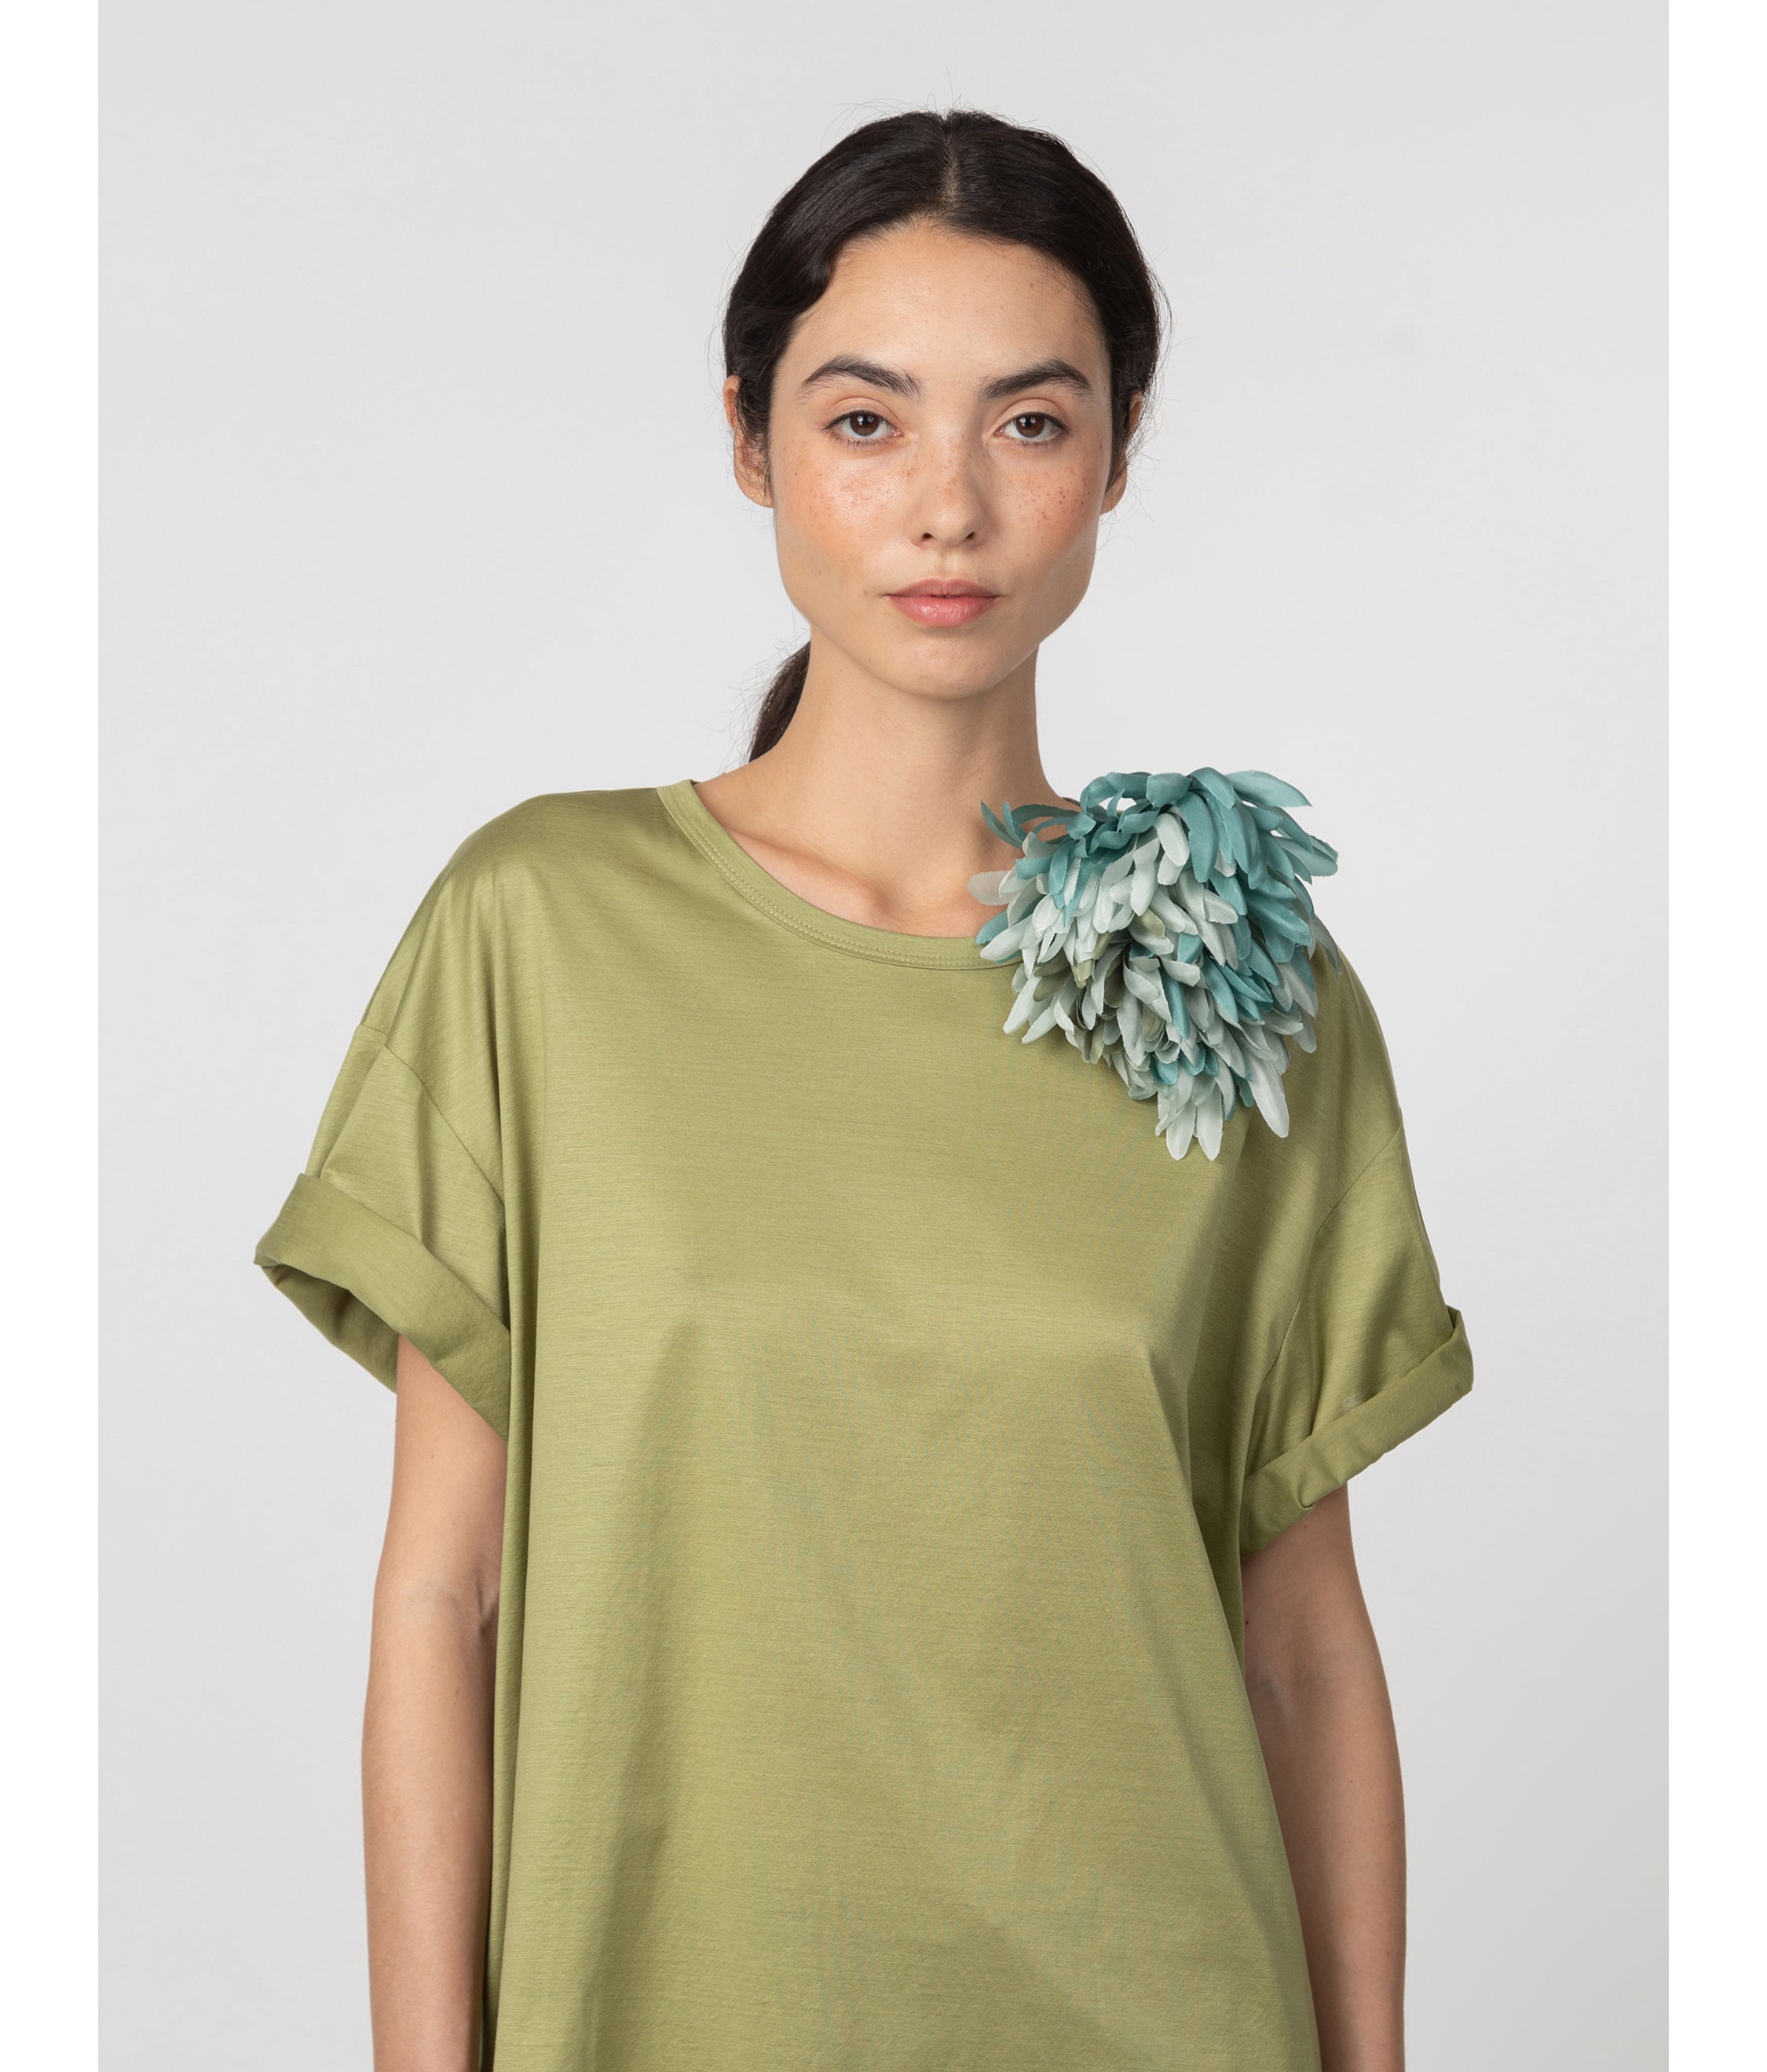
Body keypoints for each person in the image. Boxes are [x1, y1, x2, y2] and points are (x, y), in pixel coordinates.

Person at [255, 108, 1472, 2072]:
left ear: (1117, 457)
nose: (948, 508)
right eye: (865, 420)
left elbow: (1307, 1651)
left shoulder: (1249, 981)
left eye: (1030, 421)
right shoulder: (541, 931)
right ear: (750, 440)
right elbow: (443, 1599)